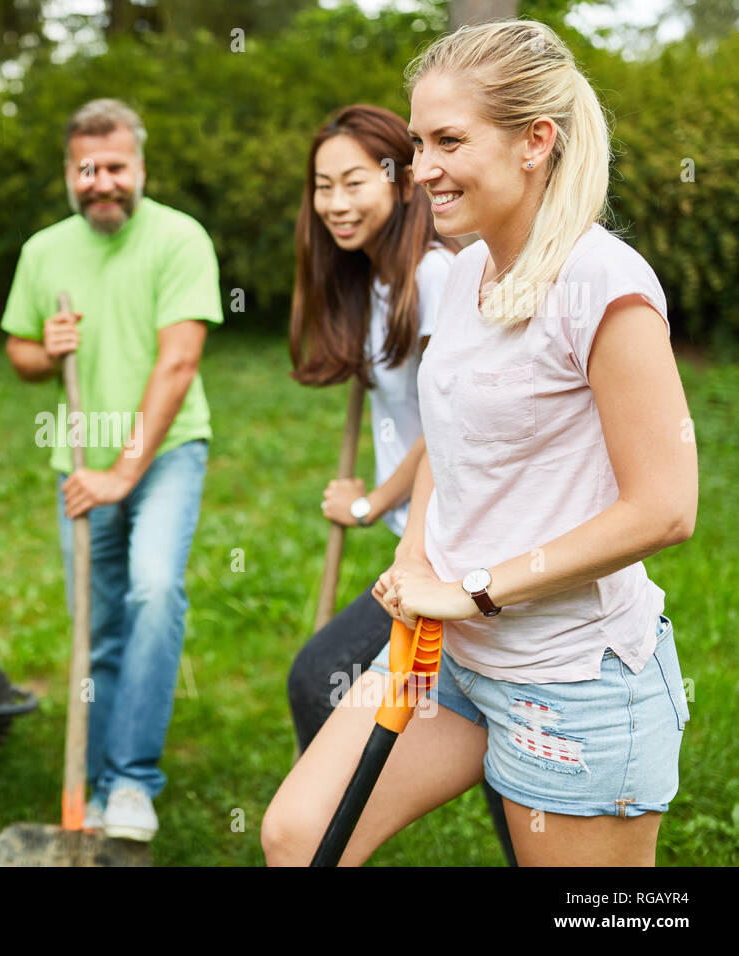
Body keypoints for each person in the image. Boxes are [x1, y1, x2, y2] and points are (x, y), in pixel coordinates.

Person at [263, 19, 696, 867]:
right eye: (419, 141)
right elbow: (447, 445)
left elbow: (666, 508)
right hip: (450, 657)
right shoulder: (465, 273)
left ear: (536, 141)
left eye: (448, 141)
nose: (420, 169)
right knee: (297, 835)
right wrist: (421, 558)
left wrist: (476, 588)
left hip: (568, 679)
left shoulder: (603, 284)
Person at [281, 104, 515, 859]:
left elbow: (450, 418)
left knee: (323, 676)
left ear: (397, 177)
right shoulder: (380, 276)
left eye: (355, 181)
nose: (337, 202)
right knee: (489, 723)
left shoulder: (438, 271)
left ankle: (336, 829)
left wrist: (370, 500)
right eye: (323, 187)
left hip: (455, 546)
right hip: (424, 544)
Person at [1, 98, 222, 841]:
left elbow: (179, 361)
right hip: (80, 457)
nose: (103, 182)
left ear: (141, 168)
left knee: (155, 590)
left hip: (164, 453)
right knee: (95, 630)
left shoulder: (179, 239)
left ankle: (131, 781)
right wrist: (48, 348)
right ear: (70, 172)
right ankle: (91, 786)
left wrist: (123, 473)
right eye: (87, 169)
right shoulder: (43, 252)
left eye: (116, 167)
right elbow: (20, 354)